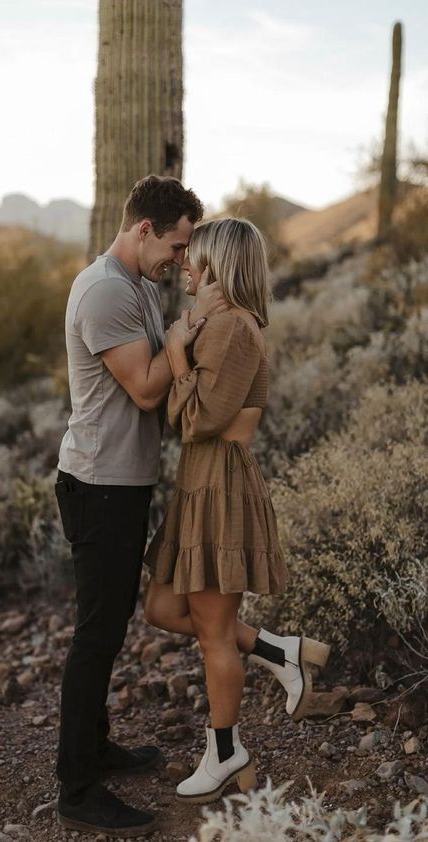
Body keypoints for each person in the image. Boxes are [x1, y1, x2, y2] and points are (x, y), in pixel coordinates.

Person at [54, 175, 227, 837]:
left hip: (120, 482)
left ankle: (95, 747)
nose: (181, 262)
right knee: (96, 636)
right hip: (99, 486)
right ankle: (76, 785)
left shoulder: (136, 286)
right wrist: (194, 319)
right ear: (143, 228)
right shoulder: (104, 292)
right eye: (177, 246)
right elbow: (149, 388)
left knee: (109, 625)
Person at [144, 218, 330, 804]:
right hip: (203, 483)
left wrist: (176, 350)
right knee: (163, 607)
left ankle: (226, 752)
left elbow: (197, 419)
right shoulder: (221, 324)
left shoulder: (232, 329)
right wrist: (190, 336)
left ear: (221, 265)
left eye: (195, 259)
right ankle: (281, 652)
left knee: (214, 638)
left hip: (220, 485)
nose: (186, 269)